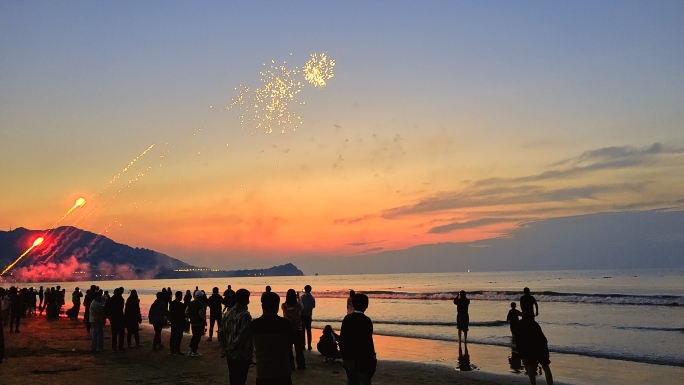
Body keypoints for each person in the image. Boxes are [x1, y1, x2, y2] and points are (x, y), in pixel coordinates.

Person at [251, 291, 293, 385]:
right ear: (277, 307)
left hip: (263, 371)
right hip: (282, 370)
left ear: (262, 306)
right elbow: (290, 345)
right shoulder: (286, 324)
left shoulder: (254, 325)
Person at [340, 294, 377, 385]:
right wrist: (372, 357)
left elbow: (343, 339)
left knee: (351, 381)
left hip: (349, 358)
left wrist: (345, 356)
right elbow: (368, 342)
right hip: (363, 359)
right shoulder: (366, 321)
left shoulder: (347, 318)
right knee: (364, 381)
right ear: (366, 305)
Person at [220, 289, 253, 385]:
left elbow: (221, 331)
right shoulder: (245, 316)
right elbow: (242, 336)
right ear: (247, 300)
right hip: (241, 354)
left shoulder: (228, 313)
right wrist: (230, 348)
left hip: (230, 353)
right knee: (240, 379)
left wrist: (224, 347)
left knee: (233, 378)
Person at [516, 314, 553, 385]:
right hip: (541, 346)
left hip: (530, 347)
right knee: (545, 366)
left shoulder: (520, 325)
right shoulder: (535, 324)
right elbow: (543, 339)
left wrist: (521, 356)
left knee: (530, 366)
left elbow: (518, 342)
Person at [281, 289, 305, 370]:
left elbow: (285, 315)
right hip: (298, 328)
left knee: (289, 349)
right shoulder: (298, 305)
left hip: (287, 328)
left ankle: (291, 365)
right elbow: (302, 307)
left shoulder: (284, 305)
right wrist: (299, 298)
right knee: (299, 349)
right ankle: (301, 365)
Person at [185, 290, 207, 357]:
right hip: (199, 323)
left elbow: (186, 312)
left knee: (194, 336)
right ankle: (194, 351)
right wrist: (204, 322)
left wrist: (191, 317)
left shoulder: (190, 304)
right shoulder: (200, 305)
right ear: (200, 297)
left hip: (193, 323)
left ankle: (192, 349)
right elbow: (202, 315)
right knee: (197, 337)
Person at [169, 291, 187, 356]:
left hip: (174, 321)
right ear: (179, 296)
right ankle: (177, 350)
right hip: (179, 322)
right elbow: (184, 314)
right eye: (181, 296)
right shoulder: (181, 305)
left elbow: (170, 313)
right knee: (178, 336)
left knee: (173, 336)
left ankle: (172, 350)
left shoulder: (172, 304)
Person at [300, 285, 315, 351]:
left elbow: (300, 306)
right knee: (309, 330)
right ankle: (309, 345)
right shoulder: (312, 298)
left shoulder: (302, 297)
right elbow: (313, 306)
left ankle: (303, 345)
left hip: (303, 315)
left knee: (302, 330)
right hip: (309, 315)